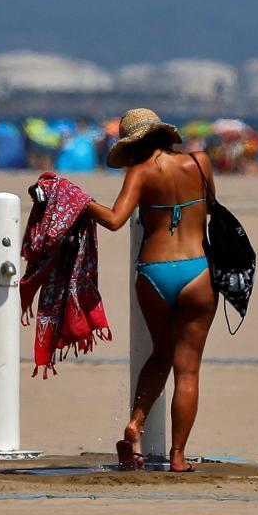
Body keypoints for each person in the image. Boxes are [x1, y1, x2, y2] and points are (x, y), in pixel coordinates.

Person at [84, 108, 216, 473]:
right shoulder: (199, 162)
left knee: (160, 354)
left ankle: (136, 427)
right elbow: (208, 209)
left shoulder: (139, 173)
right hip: (197, 270)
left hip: (155, 273)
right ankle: (177, 457)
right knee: (187, 371)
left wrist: (81, 202)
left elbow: (113, 220)